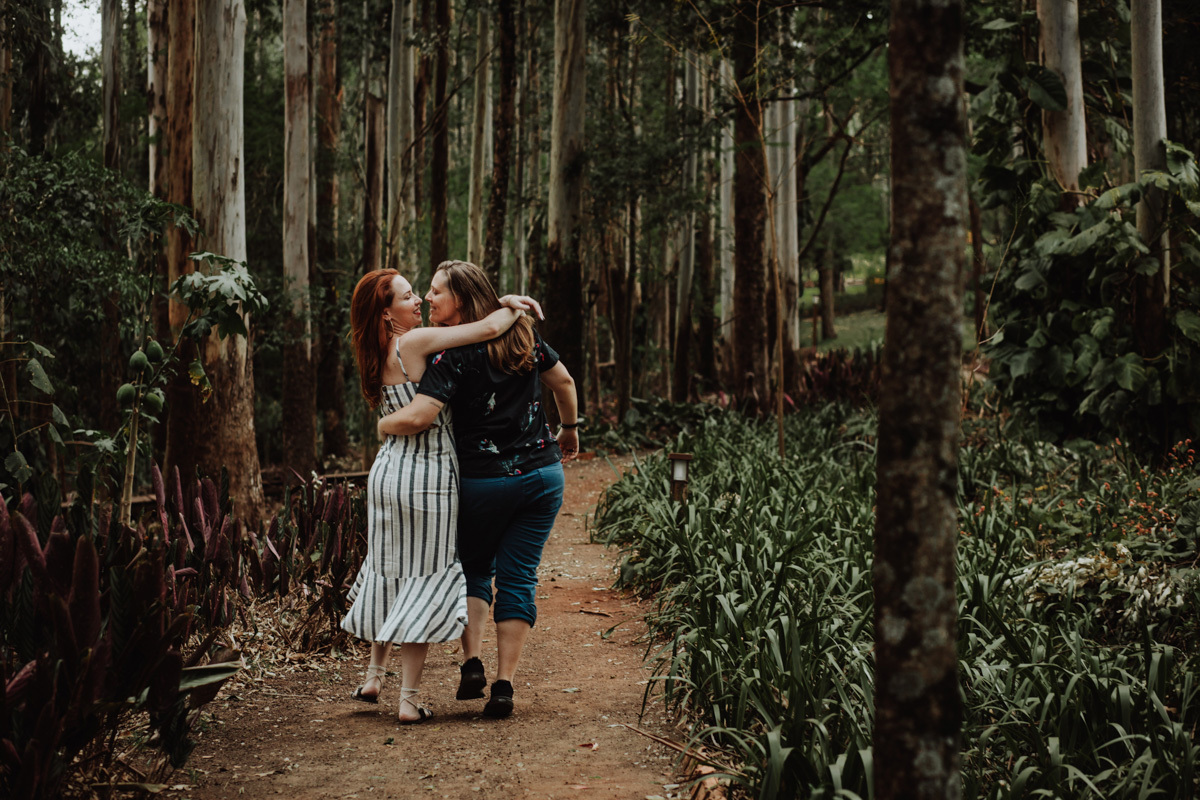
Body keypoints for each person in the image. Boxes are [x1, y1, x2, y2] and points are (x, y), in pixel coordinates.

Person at [378, 260, 578, 719]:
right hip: (542, 477)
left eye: (436, 292)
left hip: (481, 483)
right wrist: (568, 428)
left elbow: (421, 415)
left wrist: (383, 425)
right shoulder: (523, 336)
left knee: (473, 569)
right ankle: (504, 685)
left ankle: (472, 662)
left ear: (462, 300)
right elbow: (564, 381)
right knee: (519, 575)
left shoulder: (449, 356)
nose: (428, 298)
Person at [342, 268, 543, 724]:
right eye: (407, 296)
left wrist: (381, 427)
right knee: (423, 578)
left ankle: (374, 675)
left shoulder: (375, 351)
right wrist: (512, 303)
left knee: (389, 570)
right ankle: (409, 700)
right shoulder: (414, 343)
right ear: (386, 314)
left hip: (387, 472)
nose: (418, 301)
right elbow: (487, 329)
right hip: (426, 475)